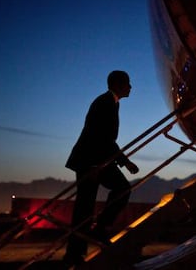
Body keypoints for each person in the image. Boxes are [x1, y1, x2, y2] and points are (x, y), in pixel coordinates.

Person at [63, 70, 139, 267]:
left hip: (96, 161)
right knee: (114, 193)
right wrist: (123, 161)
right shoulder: (105, 103)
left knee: (85, 207)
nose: (131, 87)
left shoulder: (111, 103)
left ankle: (76, 252)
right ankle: (94, 234)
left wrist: (122, 161)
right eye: (128, 83)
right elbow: (101, 137)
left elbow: (105, 139)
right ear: (118, 85)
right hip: (92, 161)